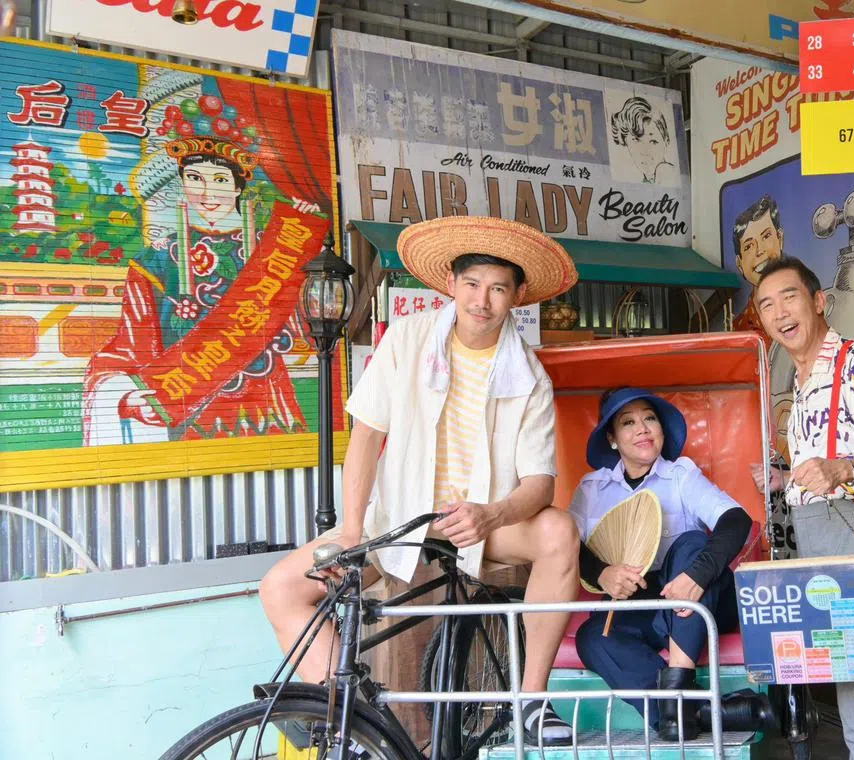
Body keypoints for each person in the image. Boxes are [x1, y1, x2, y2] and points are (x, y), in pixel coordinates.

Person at [259, 216, 582, 746]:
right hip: (397, 520)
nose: (483, 300)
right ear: (451, 285)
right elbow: (366, 437)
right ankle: (355, 724)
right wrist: (353, 530)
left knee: (559, 531)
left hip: (482, 527)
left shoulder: (530, 376)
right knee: (281, 589)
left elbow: (540, 484)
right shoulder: (407, 339)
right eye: (472, 284)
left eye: (499, 288)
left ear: (518, 296)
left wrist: (490, 514)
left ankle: (530, 700)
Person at [83, 93, 319, 445]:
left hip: (267, 404)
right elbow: (131, 344)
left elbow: (309, 327)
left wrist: (305, 246)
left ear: (239, 186)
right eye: (194, 177)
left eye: (221, 180)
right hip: (190, 409)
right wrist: (125, 398)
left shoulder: (276, 249)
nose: (207, 192)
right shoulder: (156, 262)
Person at [751, 257, 854, 760]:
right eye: (766, 305)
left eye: (789, 297)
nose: (779, 312)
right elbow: (819, 466)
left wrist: (842, 470)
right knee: (836, 675)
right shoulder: (801, 382)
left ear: (819, 302)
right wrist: (786, 481)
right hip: (815, 534)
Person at [570, 387, 753, 741]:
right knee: (593, 637)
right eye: (628, 423)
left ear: (662, 430)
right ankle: (686, 712)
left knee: (692, 543)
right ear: (612, 439)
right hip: (639, 604)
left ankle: (680, 679)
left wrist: (697, 577)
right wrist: (603, 574)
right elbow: (568, 546)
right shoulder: (592, 488)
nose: (642, 429)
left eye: (649, 419)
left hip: (700, 599)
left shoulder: (681, 474)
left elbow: (736, 520)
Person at [731, 195, 785, 333]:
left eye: (766, 236)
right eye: (749, 246)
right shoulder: (737, 330)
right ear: (739, 263)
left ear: (780, 239)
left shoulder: (808, 310)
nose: (760, 251)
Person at [610, 96, 676, 184]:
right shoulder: (644, 183)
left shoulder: (666, 171)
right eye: (636, 140)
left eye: (653, 141)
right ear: (625, 141)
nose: (645, 151)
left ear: (666, 140)